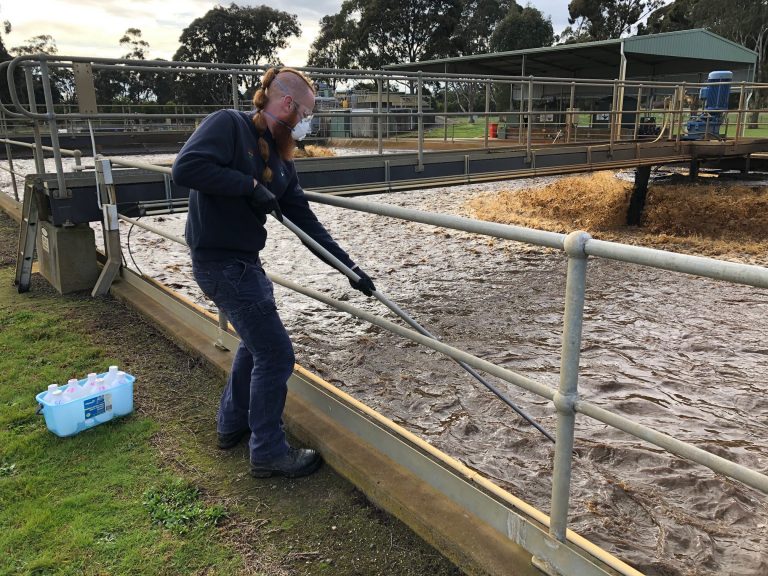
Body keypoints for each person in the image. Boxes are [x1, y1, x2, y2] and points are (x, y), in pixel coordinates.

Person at [172, 67, 375, 479]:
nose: (303, 124)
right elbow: (186, 168)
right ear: (287, 104)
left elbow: (306, 224)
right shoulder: (227, 125)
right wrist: (247, 187)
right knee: (277, 355)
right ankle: (267, 451)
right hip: (220, 264)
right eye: (304, 115)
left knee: (254, 345)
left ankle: (232, 425)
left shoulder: (282, 162)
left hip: (247, 266)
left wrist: (350, 269)